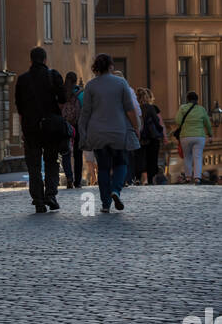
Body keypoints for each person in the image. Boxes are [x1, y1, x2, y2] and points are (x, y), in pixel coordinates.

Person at [78, 54, 141, 212]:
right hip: (118, 131)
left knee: (103, 168)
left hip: (97, 133)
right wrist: (136, 127)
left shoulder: (91, 86)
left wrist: (83, 132)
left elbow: (85, 112)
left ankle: (105, 204)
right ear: (111, 66)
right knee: (121, 163)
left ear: (96, 68)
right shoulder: (121, 83)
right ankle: (116, 190)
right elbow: (130, 109)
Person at [14, 46, 66, 214]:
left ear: (31, 60)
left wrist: (23, 128)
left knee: (34, 166)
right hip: (51, 126)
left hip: (31, 127)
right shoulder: (53, 76)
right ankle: (50, 194)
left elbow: (19, 107)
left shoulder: (22, 80)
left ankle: (38, 200)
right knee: (52, 161)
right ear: (45, 60)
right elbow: (63, 98)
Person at [172, 91, 213, 183]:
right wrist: (210, 134)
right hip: (199, 136)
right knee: (197, 156)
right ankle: (197, 177)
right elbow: (207, 123)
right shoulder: (201, 109)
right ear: (197, 99)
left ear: (187, 99)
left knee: (187, 157)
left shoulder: (182, 108)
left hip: (185, 136)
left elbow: (178, 121)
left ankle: (188, 177)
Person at [112, 69, 141, 185]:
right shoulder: (129, 90)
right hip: (126, 124)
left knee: (116, 153)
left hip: (113, 125)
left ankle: (120, 179)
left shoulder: (110, 91)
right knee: (127, 153)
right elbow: (135, 108)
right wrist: (137, 126)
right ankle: (127, 178)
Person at [135, 86, 165, 185]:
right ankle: (150, 178)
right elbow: (157, 121)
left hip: (139, 136)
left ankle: (139, 178)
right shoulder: (150, 107)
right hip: (151, 137)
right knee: (152, 158)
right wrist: (161, 131)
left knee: (140, 157)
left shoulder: (135, 108)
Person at [60, 73, 82, 188]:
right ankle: (78, 181)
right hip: (76, 126)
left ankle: (69, 177)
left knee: (65, 153)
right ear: (76, 80)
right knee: (78, 154)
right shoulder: (79, 93)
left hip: (64, 126)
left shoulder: (61, 92)